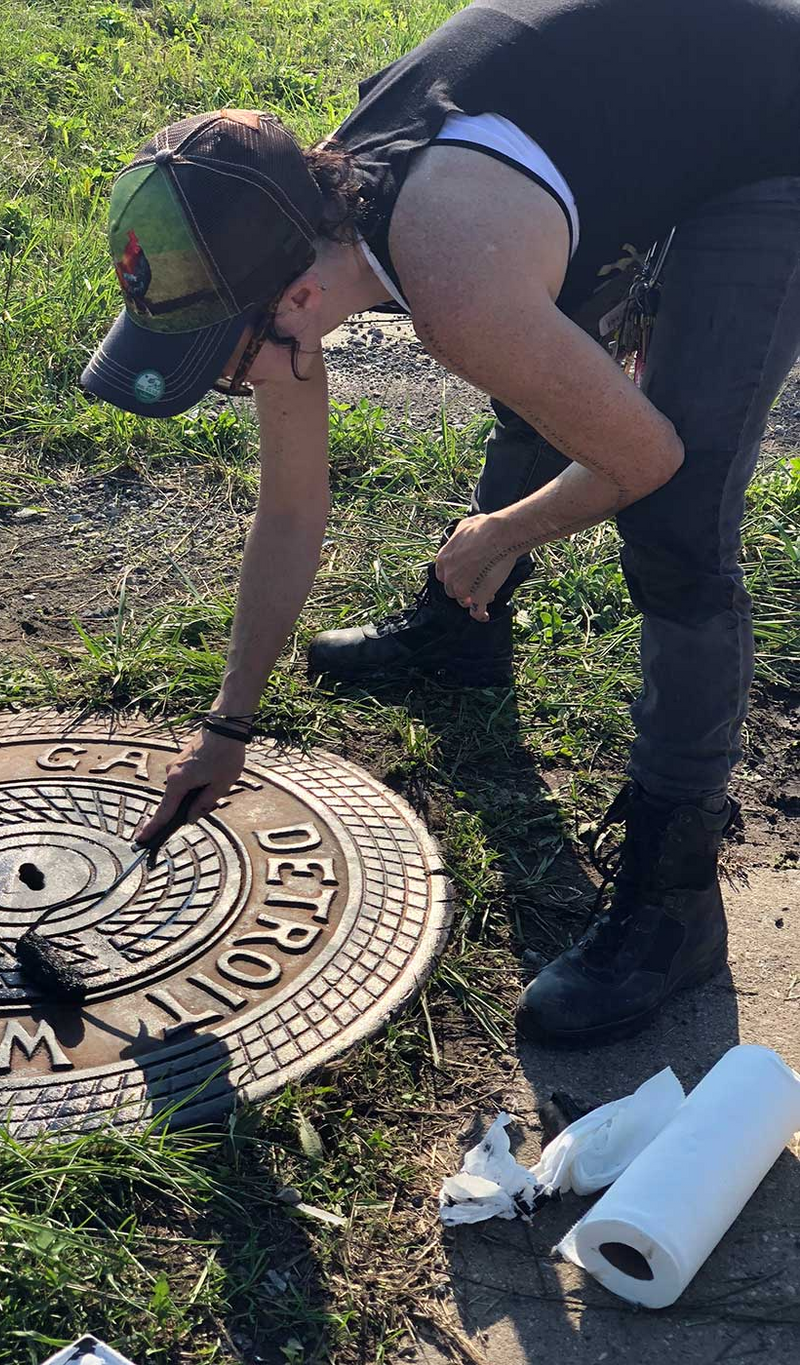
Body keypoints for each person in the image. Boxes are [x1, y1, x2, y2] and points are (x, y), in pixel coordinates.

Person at [79, 0, 800, 1047]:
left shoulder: (447, 273)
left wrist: (505, 529)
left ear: (295, 291)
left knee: (675, 518)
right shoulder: (297, 229)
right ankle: (462, 637)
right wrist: (226, 725)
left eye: (226, 363)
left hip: (767, 128)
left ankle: (674, 898)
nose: (236, 385)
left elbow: (644, 460)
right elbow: (290, 509)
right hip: (623, 100)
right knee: (541, 377)